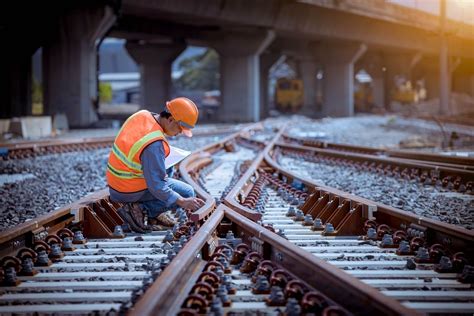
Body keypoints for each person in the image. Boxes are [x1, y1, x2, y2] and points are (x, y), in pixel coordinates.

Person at [106, 97, 205, 232]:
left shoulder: (143, 115)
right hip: (127, 189)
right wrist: (182, 201)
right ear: (170, 120)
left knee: (167, 165)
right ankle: (141, 210)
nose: (180, 133)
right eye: (180, 128)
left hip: (117, 181)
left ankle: (151, 211)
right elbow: (157, 186)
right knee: (187, 192)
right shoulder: (154, 144)